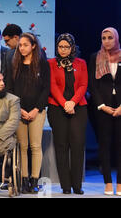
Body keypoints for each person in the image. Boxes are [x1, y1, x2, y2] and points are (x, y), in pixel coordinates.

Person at [6, 32, 50, 194]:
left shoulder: (42, 65)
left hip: (37, 112)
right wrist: (21, 110)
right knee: (22, 146)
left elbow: (46, 89)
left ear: (33, 46)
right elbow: (9, 89)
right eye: (20, 45)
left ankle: (34, 180)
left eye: (25, 45)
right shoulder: (14, 64)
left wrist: (36, 109)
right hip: (19, 111)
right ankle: (23, 180)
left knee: (35, 146)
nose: (22, 48)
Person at [47, 33, 87, 195]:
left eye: (66, 47)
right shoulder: (50, 63)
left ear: (72, 48)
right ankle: (66, 186)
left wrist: (73, 102)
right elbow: (52, 85)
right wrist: (64, 103)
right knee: (61, 146)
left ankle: (77, 185)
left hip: (78, 108)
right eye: (60, 47)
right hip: (57, 108)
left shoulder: (81, 63)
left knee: (77, 146)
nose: (63, 50)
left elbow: (83, 84)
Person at [88, 27, 121, 196]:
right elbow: (93, 85)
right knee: (105, 146)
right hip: (103, 108)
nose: (106, 41)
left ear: (116, 39)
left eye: (110, 37)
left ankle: (120, 183)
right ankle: (108, 182)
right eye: (103, 38)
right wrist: (102, 105)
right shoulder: (96, 57)